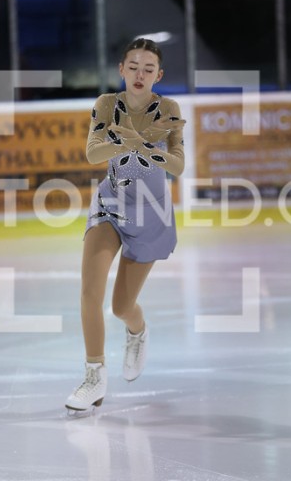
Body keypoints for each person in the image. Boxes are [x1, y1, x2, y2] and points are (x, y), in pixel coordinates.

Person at [65, 38, 186, 411]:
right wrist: (128, 141)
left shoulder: (168, 109)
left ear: (158, 75)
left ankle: (138, 331)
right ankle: (94, 377)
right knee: (90, 292)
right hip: (110, 204)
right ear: (121, 69)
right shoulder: (107, 105)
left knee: (121, 306)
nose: (139, 74)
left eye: (148, 69)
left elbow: (178, 165)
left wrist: (143, 145)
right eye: (133, 67)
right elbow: (92, 153)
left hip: (151, 214)